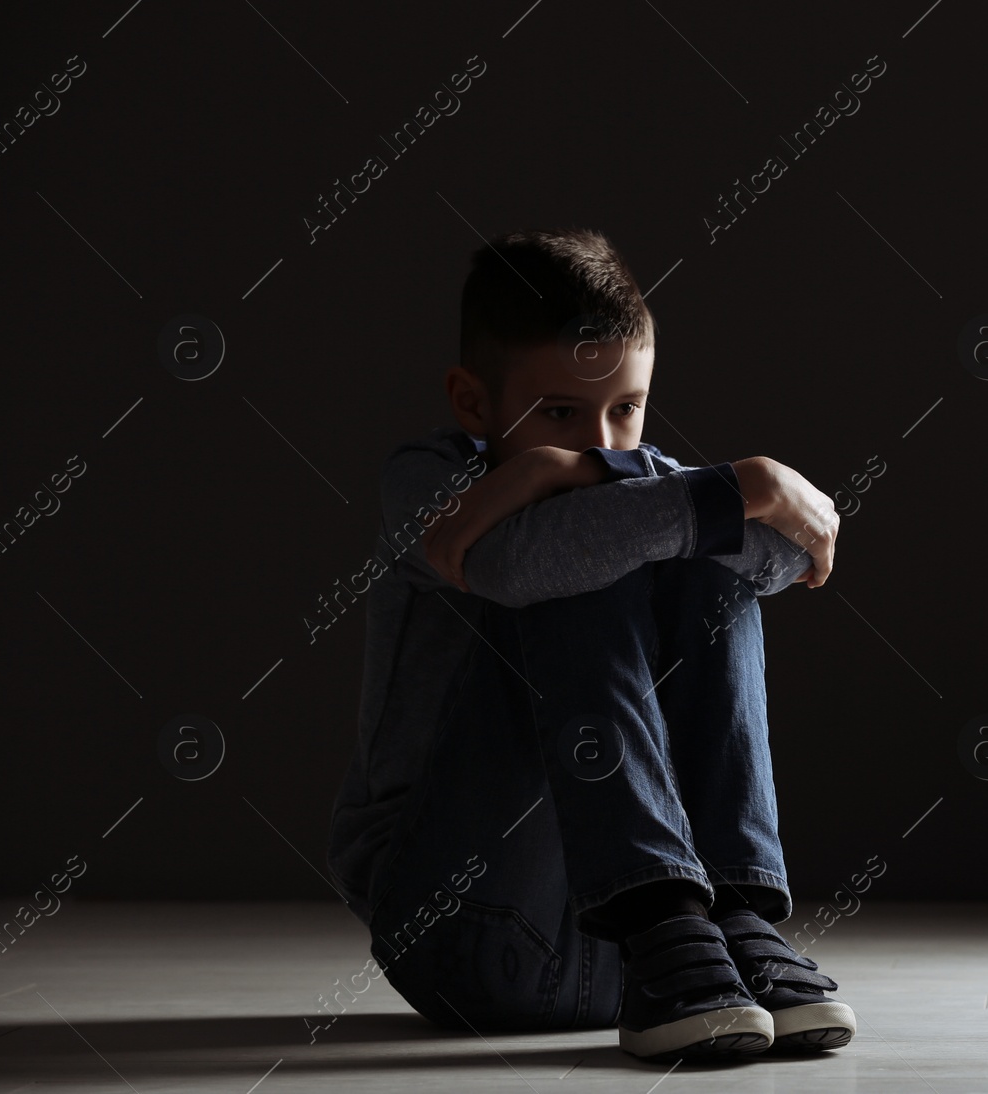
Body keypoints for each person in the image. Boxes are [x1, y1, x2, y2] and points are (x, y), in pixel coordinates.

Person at [325, 227, 856, 1061]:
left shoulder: (618, 473)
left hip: (664, 965)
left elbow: (788, 559)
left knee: (698, 549)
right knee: (585, 553)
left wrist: (571, 472)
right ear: (472, 402)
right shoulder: (425, 483)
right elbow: (511, 563)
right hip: (465, 927)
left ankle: (738, 912)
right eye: (562, 415)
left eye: (626, 409)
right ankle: (666, 913)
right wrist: (743, 486)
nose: (604, 445)